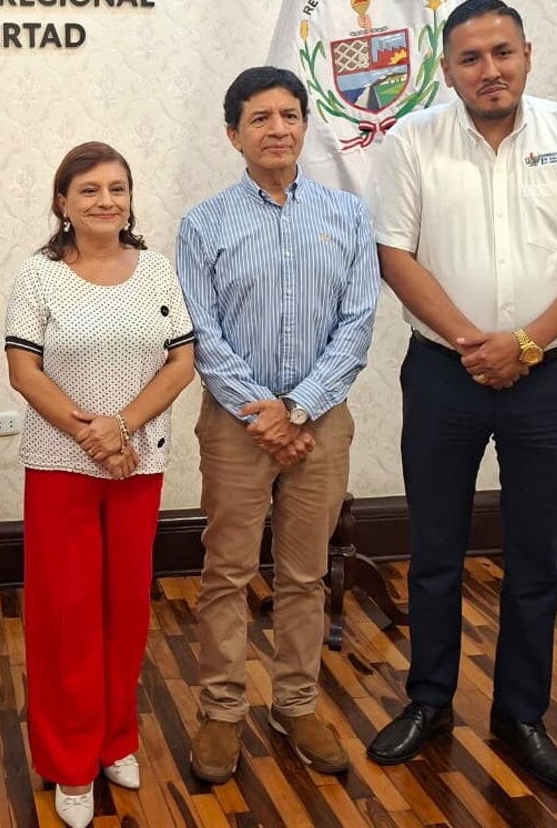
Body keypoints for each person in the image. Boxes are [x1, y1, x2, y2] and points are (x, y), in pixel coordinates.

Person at [366, 0, 557, 790]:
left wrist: (524, 344)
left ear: (528, 52)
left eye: (502, 52)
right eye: (470, 57)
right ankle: (429, 700)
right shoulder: (412, 140)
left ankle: (521, 713)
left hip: (551, 378)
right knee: (433, 550)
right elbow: (396, 255)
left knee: (536, 555)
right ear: (447, 69)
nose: (489, 69)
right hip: (442, 374)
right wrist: (474, 343)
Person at [177, 67, 380, 783]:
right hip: (237, 426)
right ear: (233, 134)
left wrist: (299, 408)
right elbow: (201, 332)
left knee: (304, 572)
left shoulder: (348, 215)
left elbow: (358, 325)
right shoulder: (202, 224)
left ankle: (296, 702)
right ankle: (221, 711)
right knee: (227, 571)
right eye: (259, 117)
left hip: (320, 422)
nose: (277, 128)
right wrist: (263, 412)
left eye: (289, 114)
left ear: (305, 125)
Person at [5, 142, 196, 828]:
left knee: (125, 609)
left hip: (138, 464)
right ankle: (69, 760)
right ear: (63, 201)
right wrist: (93, 434)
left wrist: (124, 427)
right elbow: (23, 370)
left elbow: (182, 360)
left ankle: (116, 739)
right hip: (62, 467)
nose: (106, 200)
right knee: (67, 617)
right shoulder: (40, 275)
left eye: (117, 187)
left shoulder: (158, 271)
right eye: (89, 189)